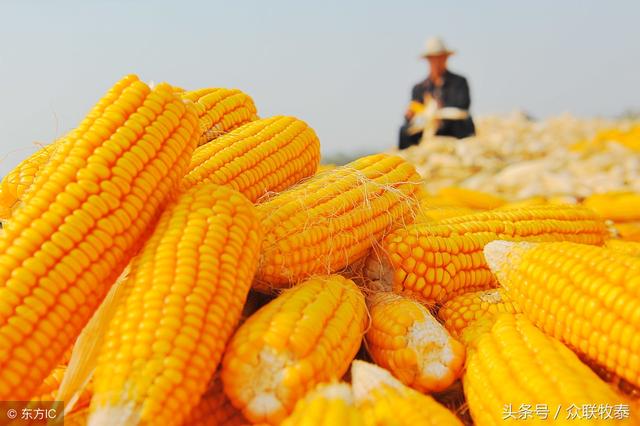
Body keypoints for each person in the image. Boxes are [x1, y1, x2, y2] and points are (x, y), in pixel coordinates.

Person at [399, 37, 475, 149]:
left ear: (446, 58)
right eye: (433, 58)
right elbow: (415, 113)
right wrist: (409, 115)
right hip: (428, 127)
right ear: (428, 60)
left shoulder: (459, 82)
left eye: (440, 58)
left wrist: (440, 109)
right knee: (404, 130)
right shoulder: (419, 88)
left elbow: (463, 105)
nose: (437, 62)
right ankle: (404, 161)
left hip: (453, 126)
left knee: (460, 124)